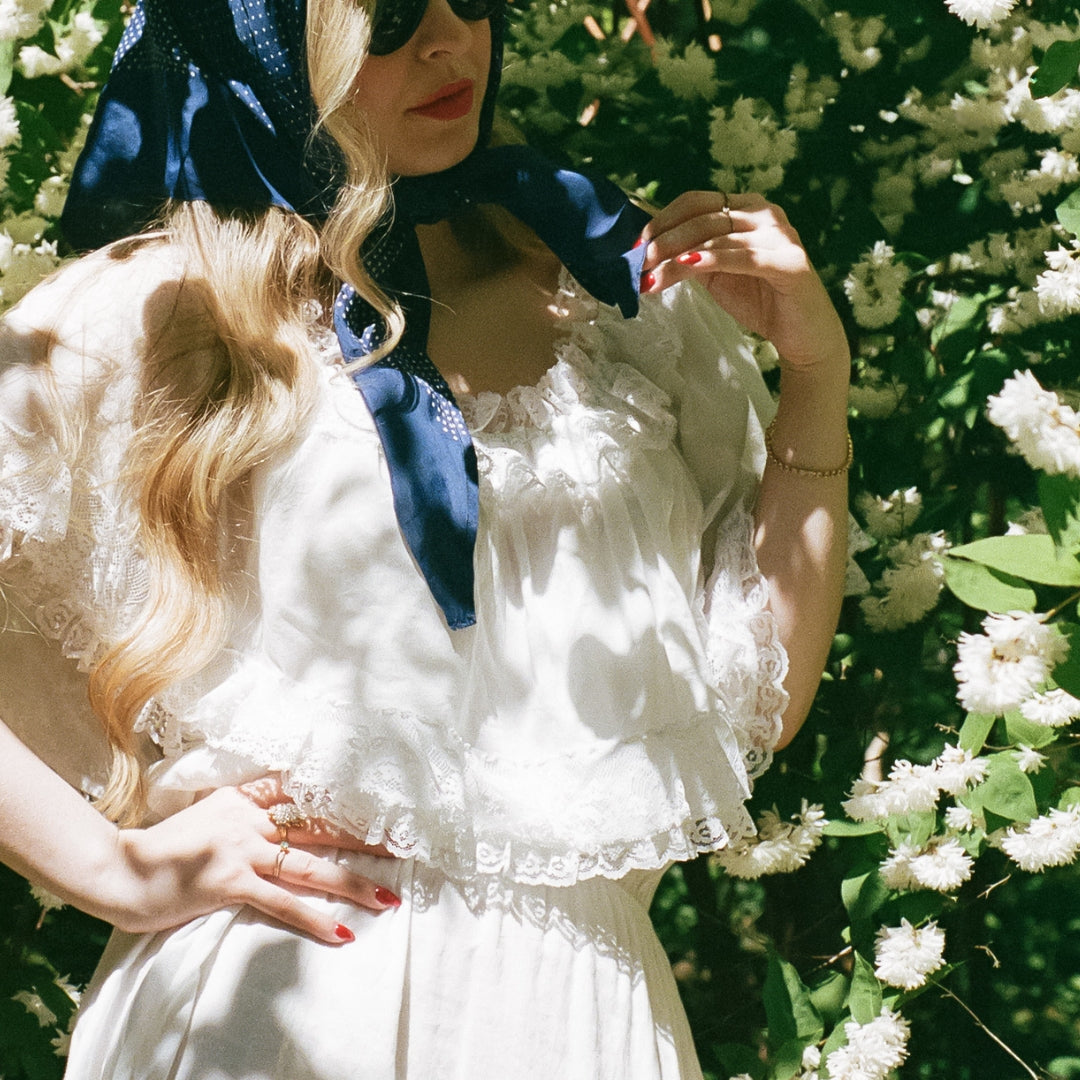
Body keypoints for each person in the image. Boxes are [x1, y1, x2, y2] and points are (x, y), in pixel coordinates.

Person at [0, 0, 851, 1076]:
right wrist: (111, 869)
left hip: (585, 1022)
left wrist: (817, 371)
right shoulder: (162, 309)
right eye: (393, 16)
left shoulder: (614, 284)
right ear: (268, 41)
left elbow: (759, 696)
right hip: (282, 1004)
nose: (453, 41)